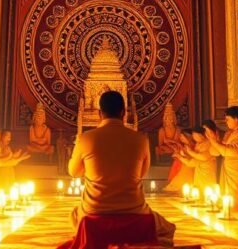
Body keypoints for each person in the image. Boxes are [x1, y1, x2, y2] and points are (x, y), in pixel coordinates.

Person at [67, 91, 175, 245]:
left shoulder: (86, 138)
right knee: (167, 229)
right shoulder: (141, 139)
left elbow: (73, 172)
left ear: (99, 113)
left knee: (74, 216)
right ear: (123, 112)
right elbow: (142, 173)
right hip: (135, 210)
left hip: (95, 210)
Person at [207, 106, 238, 205]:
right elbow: (216, 152)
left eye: (228, 119)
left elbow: (233, 151)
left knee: (236, 194)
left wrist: (215, 143)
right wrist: (214, 140)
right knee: (227, 194)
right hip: (228, 168)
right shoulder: (229, 132)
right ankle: (228, 209)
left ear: (236, 119)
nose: (226, 122)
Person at [179, 126, 217, 190]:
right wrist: (182, 156)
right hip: (199, 171)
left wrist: (190, 152)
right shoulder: (198, 144)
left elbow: (203, 157)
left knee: (207, 189)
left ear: (201, 135)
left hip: (207, 170)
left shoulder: (208, 143)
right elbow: (194, 160)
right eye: (193, 136)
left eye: (195, 136)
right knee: (198, 189)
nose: (193, 138)